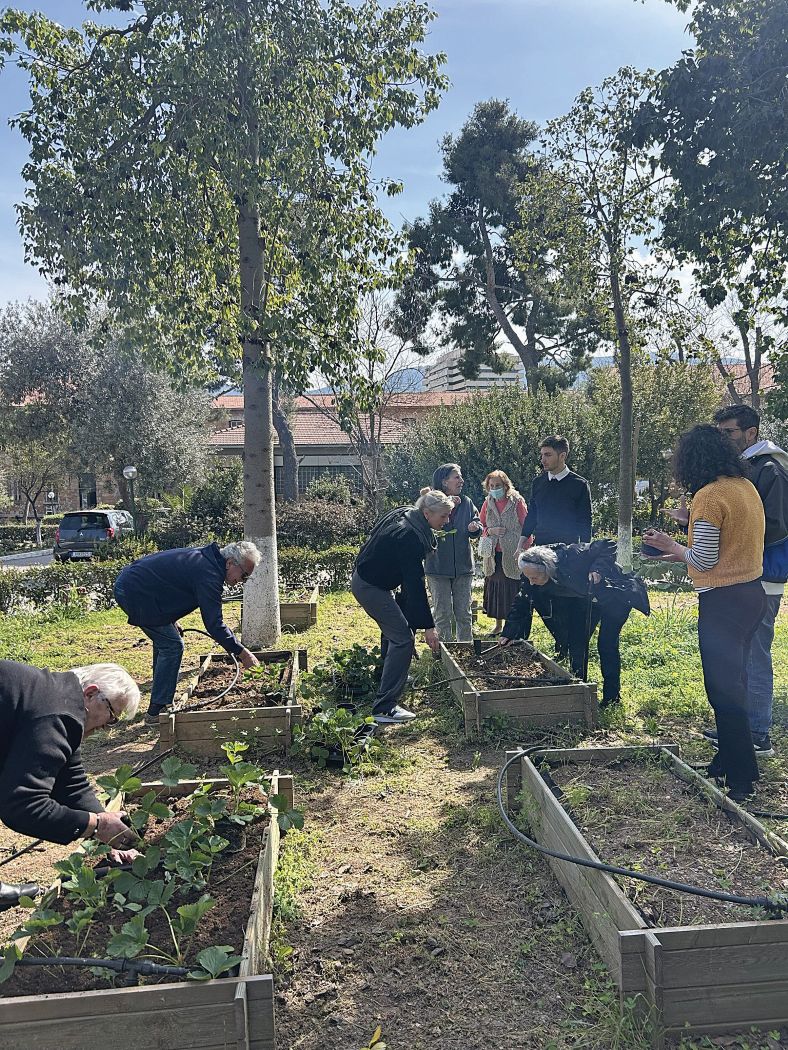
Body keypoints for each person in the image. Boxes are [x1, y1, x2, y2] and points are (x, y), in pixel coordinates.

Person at [644, 425, 766, 802]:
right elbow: (733, 542)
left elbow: (704, 559)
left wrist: (670, 545)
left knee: (723, 690)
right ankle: (727, 759)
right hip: (751, 593)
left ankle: (742, 776)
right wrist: (687, 532)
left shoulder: (709, 496)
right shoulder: (745, 487)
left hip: (723, 602)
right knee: (736, 682)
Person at [0, 660, 142, 907]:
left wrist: (106, 823)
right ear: (91, 693)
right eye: (111, 718)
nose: (106, 729)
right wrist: (96, 826)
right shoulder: (57, 714)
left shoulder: (61, 700)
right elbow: (22, 806)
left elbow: (70, 781)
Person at [708, 405, 787, 756]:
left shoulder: (769, 470)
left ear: (751, 433)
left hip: (764, 575)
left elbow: (776, 527)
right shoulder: (746, 470)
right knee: (739, 656)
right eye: (720, 433)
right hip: (743, 574)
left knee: (755, 655)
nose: (724, 440)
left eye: (731, 433)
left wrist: (727, 532)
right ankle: (741, 728)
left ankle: (758, 733)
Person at [114, 540, 262, 722]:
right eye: (244, 575)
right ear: (230, 563)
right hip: (135, 592)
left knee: (166, 642)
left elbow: (169, 584)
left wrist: (170, 619)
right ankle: (157, 711)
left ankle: (160, 698)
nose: (242, 581)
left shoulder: (207, 561)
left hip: (135, 585)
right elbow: (214, 624)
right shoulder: (209, 574)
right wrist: (243, 653)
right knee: (173, 646)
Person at [500, 541, 650, 706]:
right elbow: (522, 602)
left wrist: (597, 569)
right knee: (577, 643)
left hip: (615, 594)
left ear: (548, 569)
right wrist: (509, 632)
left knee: (606, 644)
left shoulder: (573, 555)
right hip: (586, 600)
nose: (531, 582)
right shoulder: (530, 574)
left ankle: (612, 697)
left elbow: (608, 544)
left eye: (534, 578)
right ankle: (579, 689)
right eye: (528, 577)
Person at [352, 489, 451, 724]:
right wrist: (428, 626)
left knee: (397, 630)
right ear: (427, 513)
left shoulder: (408, 514)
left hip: (369, 577)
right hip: (370, 586)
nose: (446, 521)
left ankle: (389, 676)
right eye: (443, 516)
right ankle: (384, 707)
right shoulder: (409, 536)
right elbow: (414, 584)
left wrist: (416, 619)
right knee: (403, 638)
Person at [516, 436, 593, 661]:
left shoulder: (579, 484)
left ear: (562, 455)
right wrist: (522, 542)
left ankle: (566, 644)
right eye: (541, 455)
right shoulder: (538, 482)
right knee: (539, 597)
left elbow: (585, 522)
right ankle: (558, 639)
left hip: (566, 553)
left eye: (547, 454)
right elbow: (532, 515)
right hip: (540, 551)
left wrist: (584, 554)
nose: (543, 460)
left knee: (563, 598)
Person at [424, 464, 482, 643]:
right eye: (457, 477)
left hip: (463, 567)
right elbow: (422, 525)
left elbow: (477, 522)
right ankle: (443, 656)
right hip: (437, 567)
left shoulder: (466, 502)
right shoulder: (431, 502)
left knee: (464, 614)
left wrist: (475, 528)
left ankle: (464, 652)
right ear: (444, 481)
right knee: (442, 614)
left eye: (461, 476)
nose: (461, 480)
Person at [479, 470, 528, 636]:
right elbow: (481, 526)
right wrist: (491, 531)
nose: (494, 488)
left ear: (505, 485)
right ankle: (498, 625)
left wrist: (524, 549)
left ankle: (511, 625)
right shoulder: (488, 502)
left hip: (513, 552)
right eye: (491, 486)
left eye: (497, 485)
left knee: (511, 586)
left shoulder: (517, 501)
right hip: (494, 554)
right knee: (496, 586)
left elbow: (527, 526)